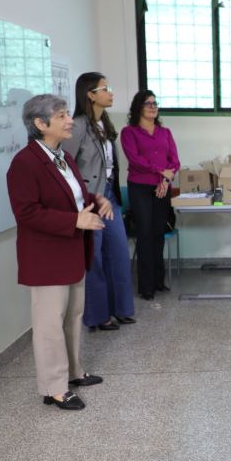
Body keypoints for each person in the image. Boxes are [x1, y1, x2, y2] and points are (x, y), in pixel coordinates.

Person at [7, 94, 111, 410]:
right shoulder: (24, 164)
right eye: (62, 115)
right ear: (40, 124)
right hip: (47, 257)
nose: (70, 120)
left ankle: (73, 372)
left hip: (72, 250)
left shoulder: (61, 155)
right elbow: (27, 213)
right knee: (50, 323)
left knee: (72, 316)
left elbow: (72, 195)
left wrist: (95, 200)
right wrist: (75, 219)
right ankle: (53, 387)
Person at [61, 72, 134, 332]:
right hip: (90, 199)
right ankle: (98, 316)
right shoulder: (79, 125)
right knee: (94, 258)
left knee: (118, 254)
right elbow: (66, 164)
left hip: (110, 196)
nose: (110, 92)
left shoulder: (106, 123)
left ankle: (121, 309)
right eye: (105, 88)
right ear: (90, 94)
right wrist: (84, 196)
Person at [120, 91, 180, 301]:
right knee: (144, 233)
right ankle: (146, 286)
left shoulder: (165, 132)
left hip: (162, 187)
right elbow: (134, 160)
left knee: (158, 232)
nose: (153, 106)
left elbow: (175, 161)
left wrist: (165, 179)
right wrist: (160, 171)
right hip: (140, 187)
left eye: (155, 103)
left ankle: (158, 281)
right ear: (138, 107)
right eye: (148, 103)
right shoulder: (129, 132)